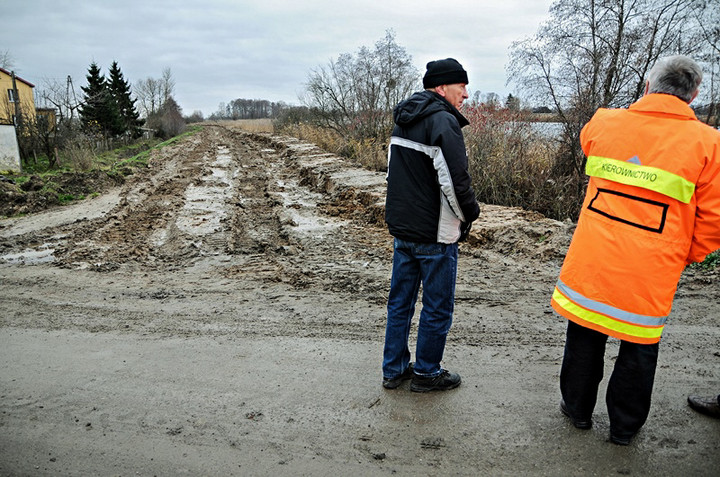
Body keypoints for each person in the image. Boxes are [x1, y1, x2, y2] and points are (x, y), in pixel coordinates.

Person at [550, 55, 720, 445]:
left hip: (593, 259)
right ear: (693, 96)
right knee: (639, 345)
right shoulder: (709, 144)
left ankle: (576, 410)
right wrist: (685, 253)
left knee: (584, 330)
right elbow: (714, 219)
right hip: (652, 266)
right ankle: (624, 429)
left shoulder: (605, 122)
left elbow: (589, 141)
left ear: (646, 86)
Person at [381, 58, 480, 392]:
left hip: (403, 231)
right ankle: (425, 373)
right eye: (461, 86)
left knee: (400, 303)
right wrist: (470, 215)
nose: (466, 94)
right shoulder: (442, 122)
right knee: (437, 308)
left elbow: (392, 174)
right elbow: (455, 183)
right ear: (441, 87)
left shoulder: (403, 121)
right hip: (435, 236)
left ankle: (393, 369)